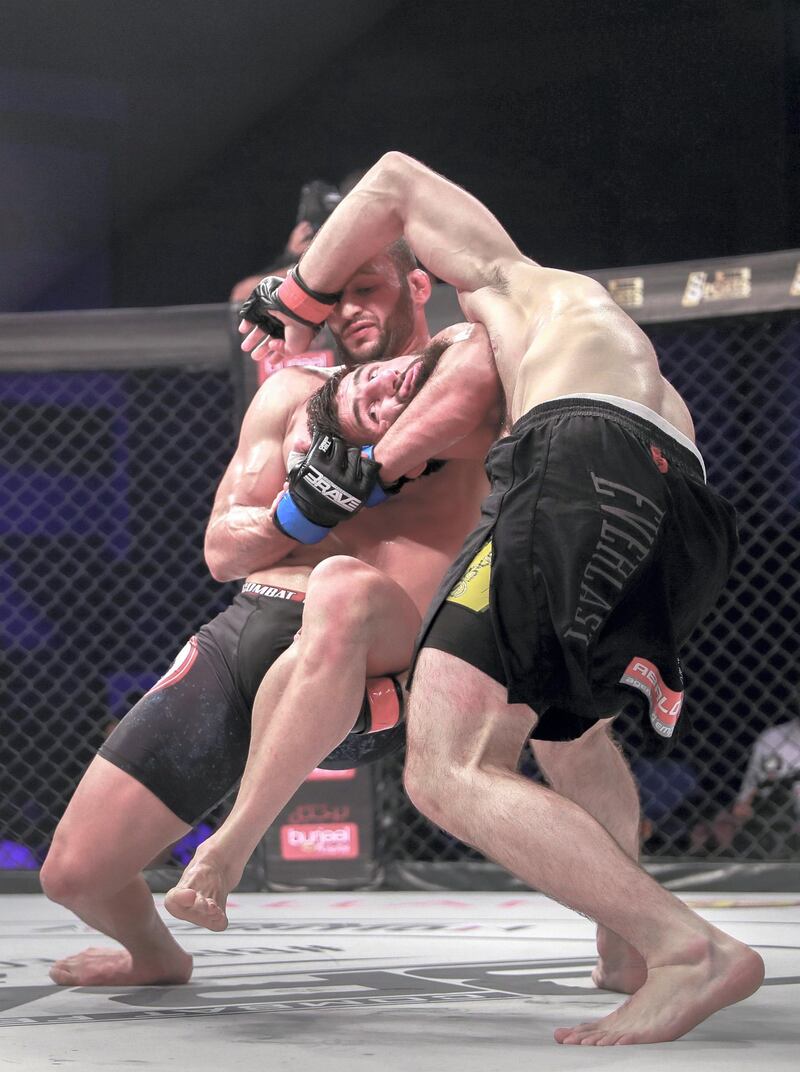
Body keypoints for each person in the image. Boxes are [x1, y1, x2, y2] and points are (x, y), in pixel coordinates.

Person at [237, 151, 765, 1045]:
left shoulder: (512, 291)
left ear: (427, 273)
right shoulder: (574, 322)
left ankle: (686, 948)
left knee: (444, 766)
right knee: (545, 731)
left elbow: (395, 178)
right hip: (686, 518)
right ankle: (629, 948)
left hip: (579, 461)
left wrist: (298, 296)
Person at [40, 242, 500, 986]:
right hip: (249, 631)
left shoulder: (468, 379)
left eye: (368, 287)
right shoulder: (289, 397)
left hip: (380, 652)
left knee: (342, 585)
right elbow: (222, 551)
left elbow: (484, 304)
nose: (350, 309)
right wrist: (302, 511)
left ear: (419, 285)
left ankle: (228, 848)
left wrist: (368, 474)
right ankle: (156, 957)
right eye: (335, 295)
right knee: (74, 874)